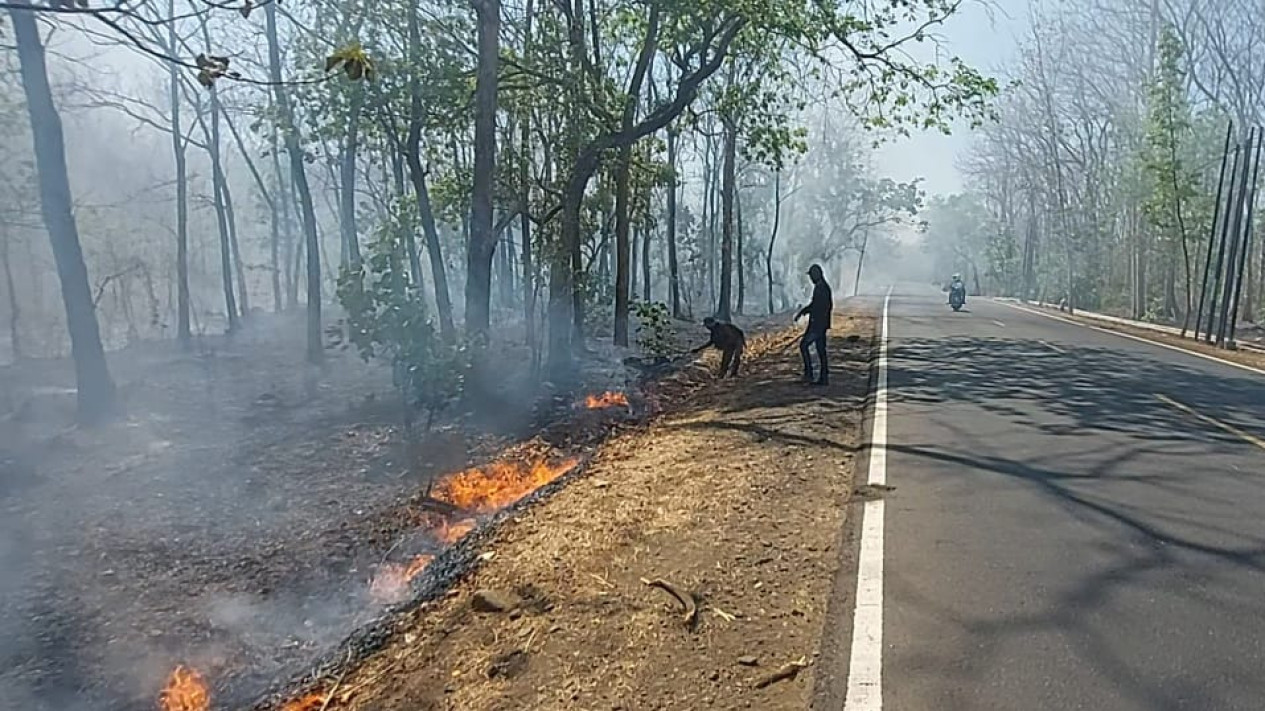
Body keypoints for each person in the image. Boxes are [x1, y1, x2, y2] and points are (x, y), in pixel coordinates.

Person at [795, 264, 832, 385]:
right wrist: (804, 312)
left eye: (811, 276)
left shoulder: (821, 288)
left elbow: (818, 307)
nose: (810, 278)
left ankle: (809, 374)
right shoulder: (821, 287)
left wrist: (805, 313)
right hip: (820, 324)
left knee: (804, 345)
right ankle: (823, 376)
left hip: (817, 325)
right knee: (821, 350)